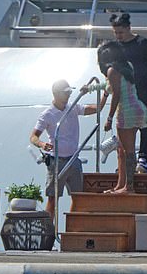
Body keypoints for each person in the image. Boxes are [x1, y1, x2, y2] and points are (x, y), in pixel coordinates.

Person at [30, 79, 102, 221]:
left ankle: (72, 229)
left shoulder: (73, 107)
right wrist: (42, 144)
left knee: (78, 198)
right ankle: (48, 232)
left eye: (70, 92)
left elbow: (96, 109)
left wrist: (104, 95)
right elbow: (33, 136)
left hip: (73, 160)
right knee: (52, 199)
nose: (69, 95)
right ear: (56, 94)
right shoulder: (47, 114)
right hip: (56, 162)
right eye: (66, 92)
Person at [84, 41, 147, 194]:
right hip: (136, 108)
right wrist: (91, 88)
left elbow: (116, 94)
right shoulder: (126, 67)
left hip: (126, 112)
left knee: (128, 151)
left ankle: (129, 187)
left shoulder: (112, 71)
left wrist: (109, 118)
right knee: (121, 150)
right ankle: (121, 184)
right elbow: (109, 87)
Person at [110, 13, 147, 174]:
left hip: (144, 90)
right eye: (116, 33)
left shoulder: (142, 43)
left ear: (128, 28)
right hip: (125, 93)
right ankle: (126, 161)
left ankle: (144, 157)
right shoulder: (116, 47)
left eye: (121, 33)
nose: (119, 36)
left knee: (145, 123)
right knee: (125, 126)